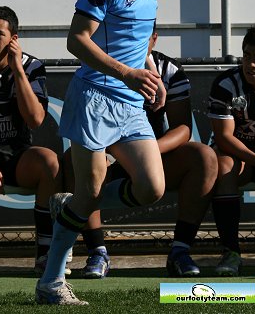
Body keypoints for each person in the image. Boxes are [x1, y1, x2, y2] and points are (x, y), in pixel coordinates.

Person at [35, 0, 166, 306]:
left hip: (130, 104)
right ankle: (51, 284)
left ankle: (71, 206)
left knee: (151, 189)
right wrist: (127, 73)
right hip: (94, 98)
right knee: (89, 192)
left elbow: (141, 37)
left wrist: (151, 70)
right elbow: (77, 40)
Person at [68, 30, 218, 279]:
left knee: (204, 157)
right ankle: (97, 251)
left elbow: (183, 128)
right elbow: (87, 122)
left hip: (151, 156)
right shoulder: (102, 65)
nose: (134, 39)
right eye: (129, 32)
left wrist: (146, 152)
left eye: (142, 33)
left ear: (154, 38)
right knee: (74, 163)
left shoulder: (168, 69)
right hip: (107, 154)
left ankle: (180, 251)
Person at [0, 6, 62, 277]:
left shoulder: (31, 66)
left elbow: (35, 119)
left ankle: (45, 252)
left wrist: (17, 70)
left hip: (17, 154)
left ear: (14, 38)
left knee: (50, 163)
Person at [208, 23, 255, 276]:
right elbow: (224, 138)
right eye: (246, 56)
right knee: (222, 166)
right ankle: (231, 252)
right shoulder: (227, 84)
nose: (251, 64)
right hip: (238, 157)